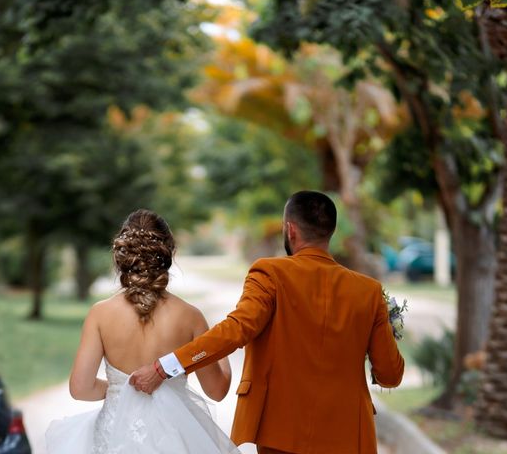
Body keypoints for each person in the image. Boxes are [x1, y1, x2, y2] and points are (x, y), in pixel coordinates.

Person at [130, 191, 405, 454]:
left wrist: (165, 367)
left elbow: (236, 330)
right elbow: (390, 375)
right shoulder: (369, 291)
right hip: (349, 434)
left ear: (291, 230)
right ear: (331, 231)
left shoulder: (270, 273)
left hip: (283, 431)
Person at [45, 209, 240, 454]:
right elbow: (217, 390)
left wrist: (120, 389)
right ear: (169, 253)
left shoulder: (100, 314)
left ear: (122, 256)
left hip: (114, 436)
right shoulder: (190, 316)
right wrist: (220, 346)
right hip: (175, 437)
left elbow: (80, 388)